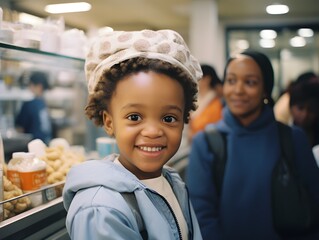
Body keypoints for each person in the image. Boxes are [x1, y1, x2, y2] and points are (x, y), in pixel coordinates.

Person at [63, 29, 203, 240]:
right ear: (109, 123)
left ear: (184, 119)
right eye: (135, 117)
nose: (153, 131)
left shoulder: (172, 184)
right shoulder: (102, 210)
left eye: (168, 118)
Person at [186, 50, 319, 240]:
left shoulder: (292, 138)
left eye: (250, 82)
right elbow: (202, 216)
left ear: (265, 89)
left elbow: (314, 204)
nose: (238, 90)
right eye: (231, 81)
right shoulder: (206, 142)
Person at [15, 71, 52, 144]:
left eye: (30, 85)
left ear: (39, 86)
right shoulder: (43, 103)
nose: (29, 88)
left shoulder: (29, 105)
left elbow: (19, 128)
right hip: (46, 143)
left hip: (32, 145)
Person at [188, 64, 223, 141]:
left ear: (207, 79)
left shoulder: (216, 104)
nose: (194, 80)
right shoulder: (195, 100)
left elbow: (213, 130)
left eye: (197, 78)